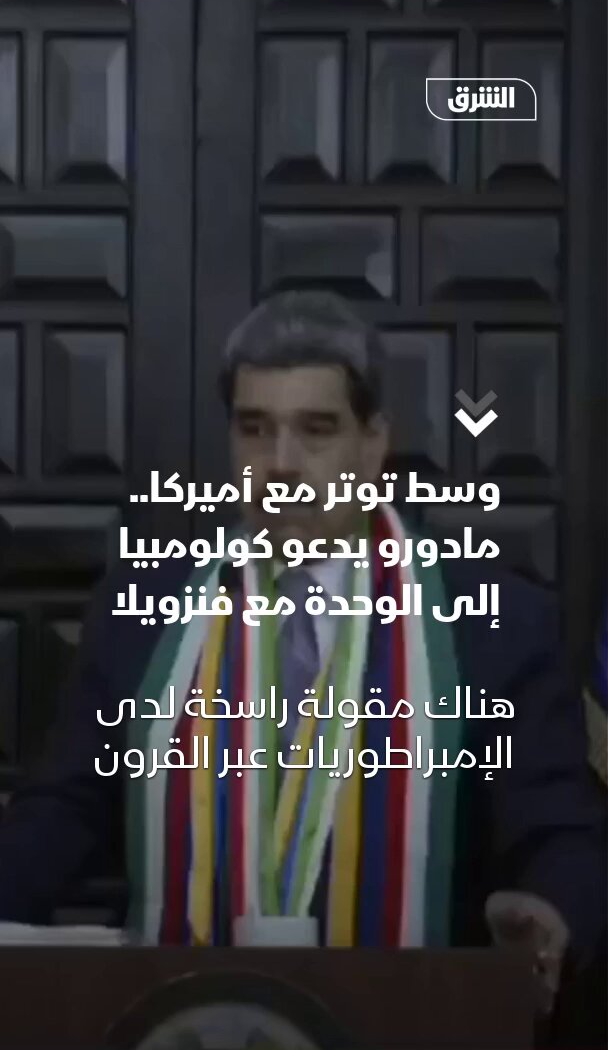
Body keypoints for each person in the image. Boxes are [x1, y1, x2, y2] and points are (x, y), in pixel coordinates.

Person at [0, 291, 603, 1013]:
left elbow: (556, 829)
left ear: (373, 443)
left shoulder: (495, 621)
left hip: (408, 1023)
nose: (280, 464)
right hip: (183, 1023)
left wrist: (551, 911)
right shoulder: (145, 609)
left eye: (316, 430)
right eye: (254, 429)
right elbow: (65, 806)